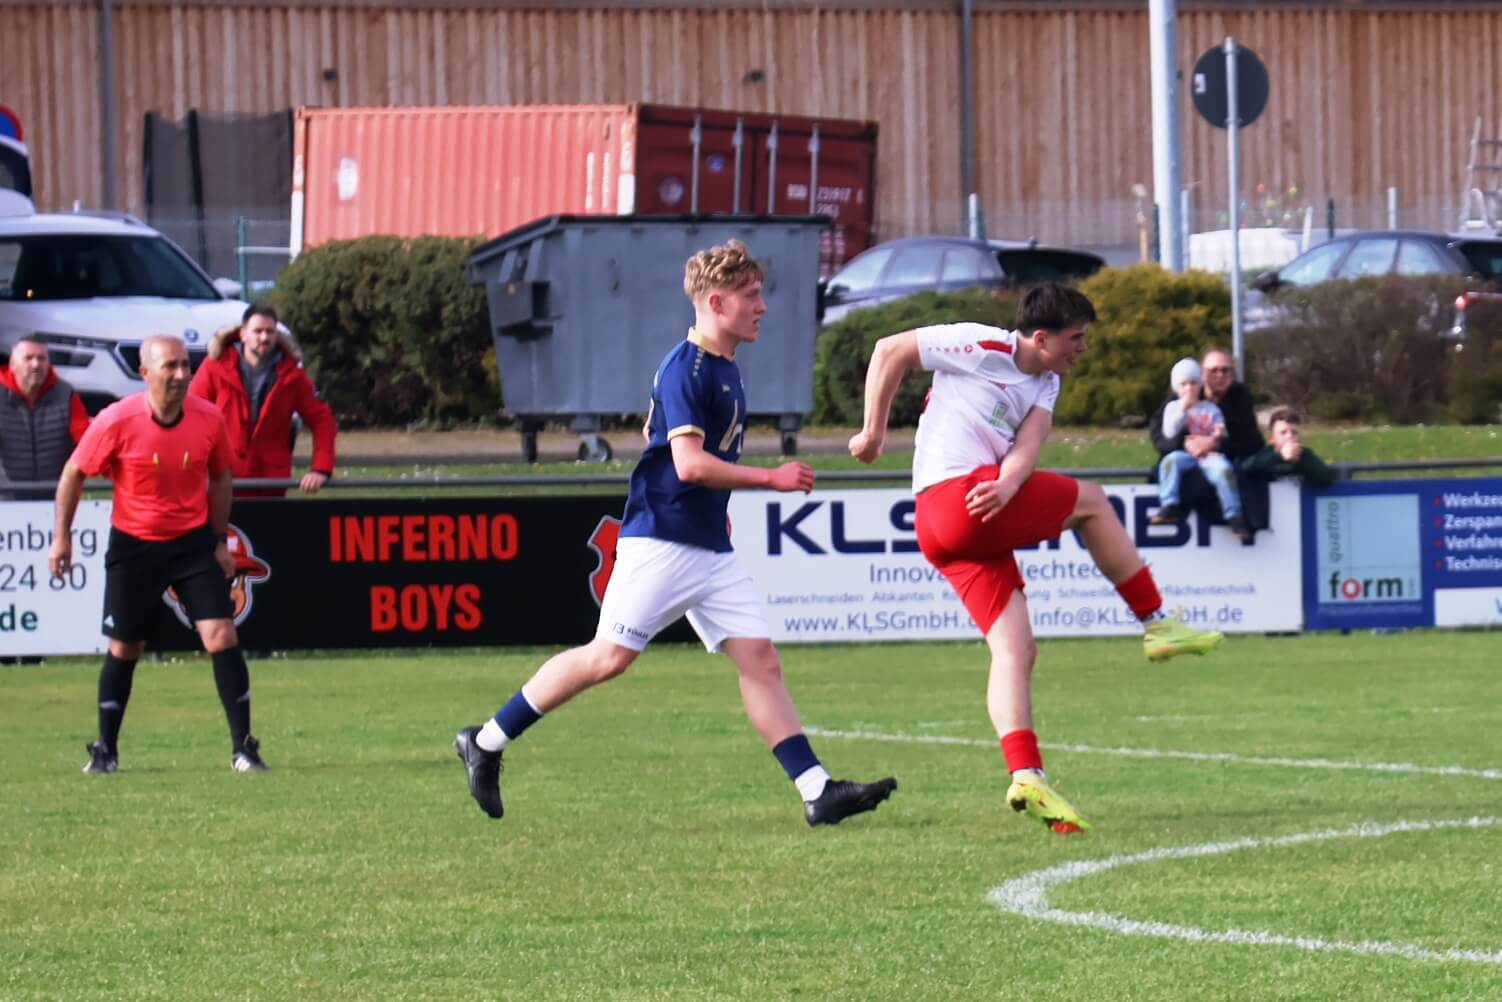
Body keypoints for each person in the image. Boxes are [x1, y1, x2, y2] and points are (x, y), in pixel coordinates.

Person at [453, 238, 897, 827]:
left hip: (707, 545)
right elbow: (687, 464)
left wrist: (717, 500)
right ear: (717, 302)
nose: (762, 306)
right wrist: (770, 477)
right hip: (662, 540)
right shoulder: (687, 369)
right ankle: (485, 741)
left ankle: (818, 792)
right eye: (751, 295)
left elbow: (659, 438)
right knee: (607, 658)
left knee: (760, 660)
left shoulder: (720, 366)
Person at [848, 283, 1224, 837]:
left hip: (951, 523)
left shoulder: (1046, 381)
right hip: (958, 498)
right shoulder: (982, 345)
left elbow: (1030, 442)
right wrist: (872, 433)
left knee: (1016, 649)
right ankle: (1156, 622)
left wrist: (1008, 483)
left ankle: (1027, 776)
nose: (1084, 348)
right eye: (1077, 338)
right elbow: (889, 350)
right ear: (1042, 337)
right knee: (1091, 502)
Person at [50, 335, 269, 775]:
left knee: (221, 636)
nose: (181, 374)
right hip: (134, 545)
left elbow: (221, 476)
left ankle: (243, 749)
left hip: (191, 543)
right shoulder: (116, 419)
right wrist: (62, 537)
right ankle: (106, 751)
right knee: (125, 646)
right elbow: (73, 472)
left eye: (185, 365)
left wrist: (218, 540)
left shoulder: (208, 418)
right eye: (170, 366)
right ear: (145, 373)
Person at [189, 305, 336, 497]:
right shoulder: (214, 367)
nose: (264, 337)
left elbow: (322, 419)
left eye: (270, 331)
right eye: (258, 331)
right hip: (222, 481)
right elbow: (190, 415)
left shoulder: (292, 375)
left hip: (271, 484)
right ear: (243, 334)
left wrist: (321, 469)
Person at [1148, 357, 1250, 542]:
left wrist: (1217, 435)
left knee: (1224, 471)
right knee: (1170, 462)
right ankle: (1169, 504)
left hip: (1210, 455)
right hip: (1185, 455)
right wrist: (1183, 409)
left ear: (1200, 384)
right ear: (1176, 388)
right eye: (1183, 384)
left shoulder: (1210, 408)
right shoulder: (1172, 407)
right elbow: (1168, 432)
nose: (1189, 388)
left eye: (1193, 383)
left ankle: (1234, 514)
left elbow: (1221, 430)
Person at [0, 337, 90, 499]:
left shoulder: (66, 395)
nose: (36, 364)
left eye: (41, 359)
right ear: (12, 364)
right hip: (6, 499)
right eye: (28, 358)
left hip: (57, 497)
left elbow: (87, 443)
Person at [1241, 407, 1336, 487]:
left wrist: (1299, 461)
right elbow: (1247, 468)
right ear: (1272, 437)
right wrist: (1279, 455)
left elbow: (1326, 478)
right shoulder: (1267, 453)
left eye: (1294, 432)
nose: (1289, 436)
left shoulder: (1305, 454)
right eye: (1283, 433)